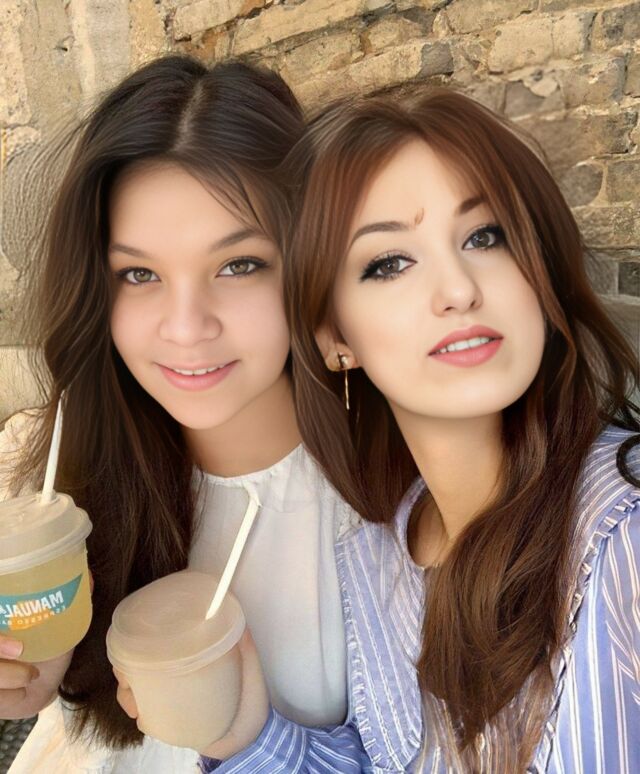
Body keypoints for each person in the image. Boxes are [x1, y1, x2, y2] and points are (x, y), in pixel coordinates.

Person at [0, 55, 360, 772]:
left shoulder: (390, 509)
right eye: (139, 274)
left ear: (308, 263)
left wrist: (250, 741)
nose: (187, 327)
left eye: (238, 265)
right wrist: (36, 671)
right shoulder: (65, 478)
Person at [282, 90, 640, 772]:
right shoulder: (375, 556)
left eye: (485, 236)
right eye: (390, 262)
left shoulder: (622, 536)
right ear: (334, 338)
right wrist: (239, 729)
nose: (458, 289)